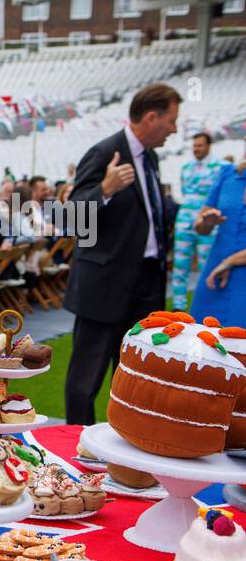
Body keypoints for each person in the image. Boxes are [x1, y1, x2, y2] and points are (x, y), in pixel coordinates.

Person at [64, 82, 181, 425]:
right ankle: (77, 450)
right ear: (151, 117)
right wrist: (104, 189)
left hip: (146, 282)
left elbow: (146, 212)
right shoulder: (104, 153)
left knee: (134, 377)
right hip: (105, 284)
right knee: (85, 382)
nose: (174, 129)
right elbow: (72, 217)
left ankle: (125, 451)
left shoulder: (152, 158)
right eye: (171, 120)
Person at [172, 132, 226, 310]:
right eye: (194, 146)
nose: (196, 149)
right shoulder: (186, 167)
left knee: (206, 264)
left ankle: (207, 305)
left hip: (207, 219)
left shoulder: (221, 167)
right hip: (184, 219)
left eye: (200, 145)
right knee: (180, 263)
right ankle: (178, 306)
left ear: (209, 145)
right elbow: (184, 190)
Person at [189, 161, 246, 326]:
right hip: (215, 273)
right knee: (203, 336)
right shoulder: (227, 174)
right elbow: (200, 226)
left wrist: (230, 261)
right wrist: (208, 222)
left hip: (233, 269)